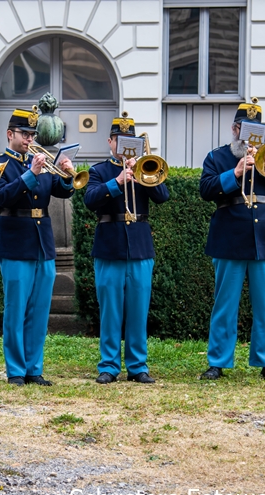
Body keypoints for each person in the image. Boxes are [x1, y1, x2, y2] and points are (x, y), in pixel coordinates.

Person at [198, 98, 265, 382]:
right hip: (229, 237)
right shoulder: (217, 157)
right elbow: (206, 190)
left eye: (257, 130)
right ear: (234, 129)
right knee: (224, 304)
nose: (249, 136)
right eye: (245, 129)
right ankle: (218, 361)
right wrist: (236, 172)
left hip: (264, 237)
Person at [0, 108, 76, 387]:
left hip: (42, 242)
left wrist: (67, 176)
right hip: (14, 243)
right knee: (16, 309)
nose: (29, 139)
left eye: (32, 134)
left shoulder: (43, 161)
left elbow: (61, 191)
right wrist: (30, 175)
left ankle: (34, 368)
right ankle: (15, 370)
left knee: (39, 310)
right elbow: (1, 198)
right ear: (9, 134)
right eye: (24, 134)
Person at [83, 113, 169, 385]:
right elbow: (90, 200)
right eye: (119, 141)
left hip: (140, 248)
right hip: (109, 247)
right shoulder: (99, 171)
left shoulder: (146, 168)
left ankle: (137, 366)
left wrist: (143, 174)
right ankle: (109, 365)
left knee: (138, 311)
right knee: (110, 311)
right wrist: (118, 181)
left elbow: (163, 196)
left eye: (129, 142)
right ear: (110, 142)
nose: (124, 146)